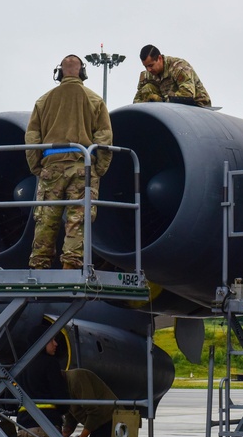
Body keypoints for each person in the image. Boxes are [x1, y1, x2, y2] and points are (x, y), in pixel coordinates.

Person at [25, 54, 113, 270]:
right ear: (83, 72)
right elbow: (104, 136)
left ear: (59, 73)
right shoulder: (95, 100)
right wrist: (99, 168)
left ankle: (39, 266)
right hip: (82, 169)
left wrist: (36, 166)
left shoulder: (43, 101)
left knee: (46, 219)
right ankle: (71, 266)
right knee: (78, 221)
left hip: (51, 168)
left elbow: (32, 136)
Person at [133, 45, 212, 107]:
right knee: (147, 88)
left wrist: (161, 101)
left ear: (159, 58)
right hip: (167, 108)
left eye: (151, 65)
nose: (149, 69)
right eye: (146, 66)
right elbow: (137, 101)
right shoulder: (147, 75)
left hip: (196, 105)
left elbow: (187, 95)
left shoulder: (179, 67)